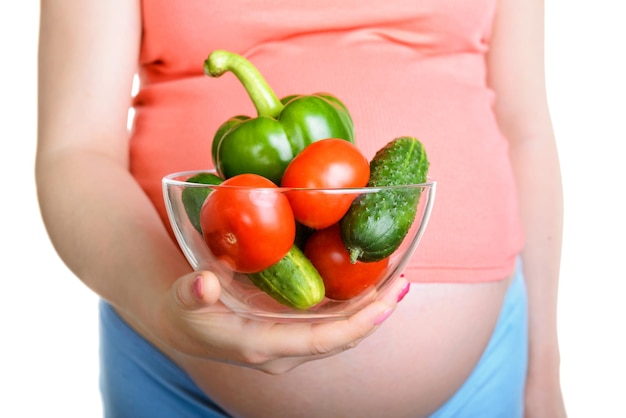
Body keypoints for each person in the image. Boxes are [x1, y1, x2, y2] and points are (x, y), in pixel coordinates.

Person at [36, 0, 566, 417]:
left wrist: (543, 377)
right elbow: (74, 150)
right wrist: (164, 310)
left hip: (485, 375)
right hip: (179, 378)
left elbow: (527, 129)